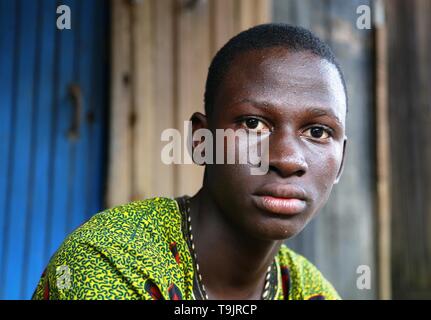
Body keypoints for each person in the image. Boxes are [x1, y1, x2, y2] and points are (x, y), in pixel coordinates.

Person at [33, 23, 347, 300]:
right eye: (253, 124)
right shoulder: (109, 261)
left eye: (318, 131)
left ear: (341, 162)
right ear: (201, 142)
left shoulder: (311, 291)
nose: (288, 159)